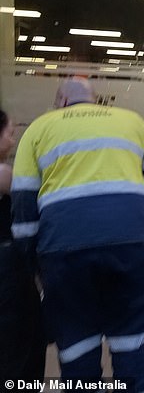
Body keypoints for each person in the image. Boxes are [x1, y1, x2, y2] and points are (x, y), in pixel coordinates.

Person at [11, 77, 144, 392]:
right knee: (130, 343)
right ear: (94, 100)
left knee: (77, 347)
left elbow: (24, 209)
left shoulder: (38, 130)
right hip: (130, 245)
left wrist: (34, 266)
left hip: (63, 252)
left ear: (62, 102)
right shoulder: (132, 122)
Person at [0, 109, 47, 382]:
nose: (14, 139)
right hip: (10, 271)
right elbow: (33, 195)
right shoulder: (5, 174)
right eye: (10, 133)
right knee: (20, 351)